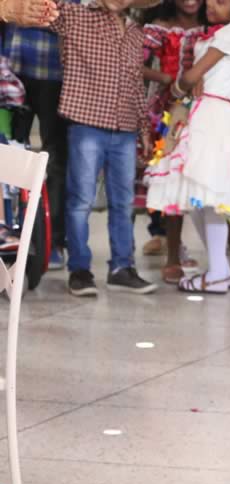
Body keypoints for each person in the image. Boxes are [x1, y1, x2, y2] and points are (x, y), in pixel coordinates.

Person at [144, 0, 230, 293]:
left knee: (211, 193)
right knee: (199, 196)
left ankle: (218, 271)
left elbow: (191, 76)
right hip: (204, 112)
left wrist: (180, 86)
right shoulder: (218, 33)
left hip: (216, 116)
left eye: (221, 1)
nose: (211, 5)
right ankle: (220, 268)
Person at [43, 0, 160, 296]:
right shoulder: (74, 16)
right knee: (81, 200)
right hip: (86, 125)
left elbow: (135, 83)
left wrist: (144, 130)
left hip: (125, 129)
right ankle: (80, 270)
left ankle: (122, 267)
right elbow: (43, 8)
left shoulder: (135, 32)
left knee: (123, 202)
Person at [138, 0, 205, 284]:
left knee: (195, 180)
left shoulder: (211, 29)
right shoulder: (159, 29)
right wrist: (165, 77)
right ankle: (172, 248)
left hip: (202, 112)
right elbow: (133, 63)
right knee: (167, 181)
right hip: (165, 116)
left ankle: (195, 244)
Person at [3, 0, 73, 270]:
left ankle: (53, 240)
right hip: (10, 65)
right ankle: (7, 229)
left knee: (55, 157)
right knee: (7, 154)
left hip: (57, 71)